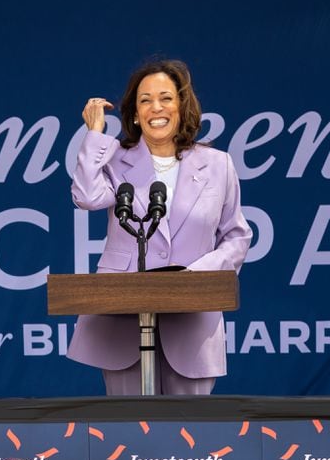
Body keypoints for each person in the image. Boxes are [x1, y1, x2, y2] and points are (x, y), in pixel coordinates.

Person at [67, 59, 252, 395]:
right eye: (145, 100)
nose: (156, 108)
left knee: (188, 439)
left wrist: (194, 277)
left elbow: (236, 236)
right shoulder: (113, 158)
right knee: (127, 440)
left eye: (166, 98)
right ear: (135, 114)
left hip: (192, 319)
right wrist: (94, 135)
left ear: (181, 106)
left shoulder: (217, 164)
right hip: (122, 318)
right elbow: (86, 197)